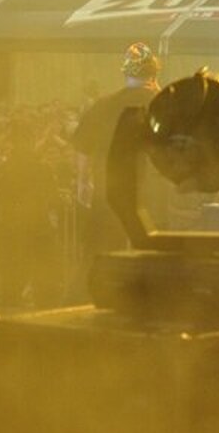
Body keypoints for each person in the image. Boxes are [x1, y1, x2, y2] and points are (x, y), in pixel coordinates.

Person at [71, 43, 170, 275]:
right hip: (152, 200)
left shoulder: (103, 105)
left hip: (108, 195)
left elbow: (82, 148)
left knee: (103, 256)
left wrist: (82, 181)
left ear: (125, 72)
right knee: (150, 260)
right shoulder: (162, 105)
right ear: (154, 73)